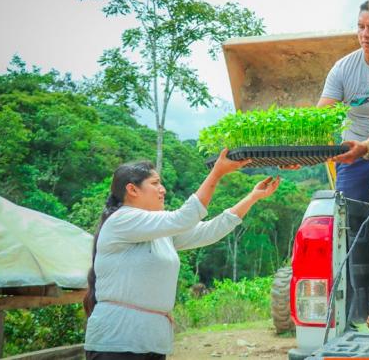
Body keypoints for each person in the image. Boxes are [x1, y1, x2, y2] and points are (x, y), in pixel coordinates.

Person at [83, 149, 281, 359]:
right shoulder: (122, 220)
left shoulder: (158, 232)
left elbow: (208, 231)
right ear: (132, 189)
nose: (163, 189)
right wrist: (216, 173)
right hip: (117, 343)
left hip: (151, 342)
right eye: (155, 183)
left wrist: (252, 197)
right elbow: (183, 218)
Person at [318, 0, 369, 202]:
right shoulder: (343, 69)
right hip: (354, 156)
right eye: (361, 27)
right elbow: (321, 118)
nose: (364, 34)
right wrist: (297, 154)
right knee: (348, 219)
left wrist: (367, 145)